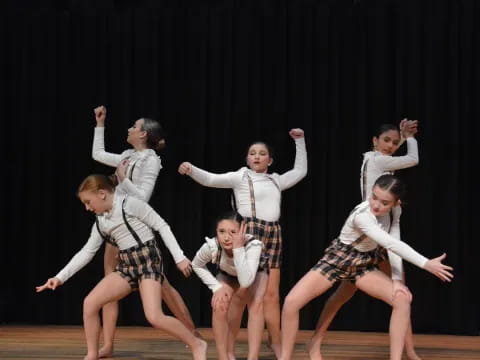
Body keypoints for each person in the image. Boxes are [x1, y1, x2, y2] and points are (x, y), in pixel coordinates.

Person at [279, 174, 453, 360]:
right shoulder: (362, 215)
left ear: (395, 203)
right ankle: (288, 356)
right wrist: (426, 263)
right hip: (339, 258)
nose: (376, 205)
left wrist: (396, 281)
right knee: (291, 302)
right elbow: (389, 243)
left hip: (363, 263)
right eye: (374, 197)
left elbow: (393, 242)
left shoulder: (396, 211)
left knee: (402, 299)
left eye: (385, 202)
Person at [36, 174, 207, 360]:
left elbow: (161, 225)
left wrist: (179, 257)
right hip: (127, 264)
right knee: (90, 303)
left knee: (154, 316)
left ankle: (197, 344)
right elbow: (87, 252)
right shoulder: (101, 221)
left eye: (88, 202)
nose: (87, 208)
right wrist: (59, 277)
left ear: (102, 194)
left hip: (148, 260)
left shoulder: (130, 204)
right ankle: (92, 353)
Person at [179, 128, 308, 357]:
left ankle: (275, 341)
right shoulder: (240, 176)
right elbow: (210, 179)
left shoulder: (276, 180)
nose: (256, 156)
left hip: (272, 233)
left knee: (271, 295)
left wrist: (300, 141)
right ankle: (228, 348)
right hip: (248, 232)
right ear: (247, 158)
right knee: (241, 296)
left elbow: (300, 170)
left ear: (270, 159)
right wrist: (191, 170)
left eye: (261, 153)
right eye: (252, 153)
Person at [307, 119, 422, 360]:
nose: (391, 145)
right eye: (386, 141)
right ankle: (315, 341)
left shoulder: (378, 160)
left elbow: (391, 152)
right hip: (366, 239)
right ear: (375, 141)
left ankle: (409, 352)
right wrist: (408, 138)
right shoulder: (377, 160)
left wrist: (401, 136)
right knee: (342, 295)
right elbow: (412, 159)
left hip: (380, 240)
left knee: (399, 294)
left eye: (393, 142)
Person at [92, 106, 199, 357]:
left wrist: (122, 178)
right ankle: (107, 344)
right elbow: (97, 153)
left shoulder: (150, 160)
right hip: (116, 223)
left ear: (143, 134)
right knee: (109, 284)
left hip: (136, 228)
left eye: (134, 126)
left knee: (164, 288)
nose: (129, 129)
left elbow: (143, 197)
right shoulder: (128, 154)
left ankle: (192, 333)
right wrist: (100, 124)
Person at [192, 212, 268, 360]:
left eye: (233, 232)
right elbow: (196, 264)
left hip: (253, 273)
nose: (226, 237)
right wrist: (216, 287)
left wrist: (238, 248)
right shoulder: (212, 245)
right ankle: (224, 356)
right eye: (221, 232)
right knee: (219, 304)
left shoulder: (253, 246)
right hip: (227, 273)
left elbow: (246, 281)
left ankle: (253, 357)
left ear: (242, 231)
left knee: (256, 305)